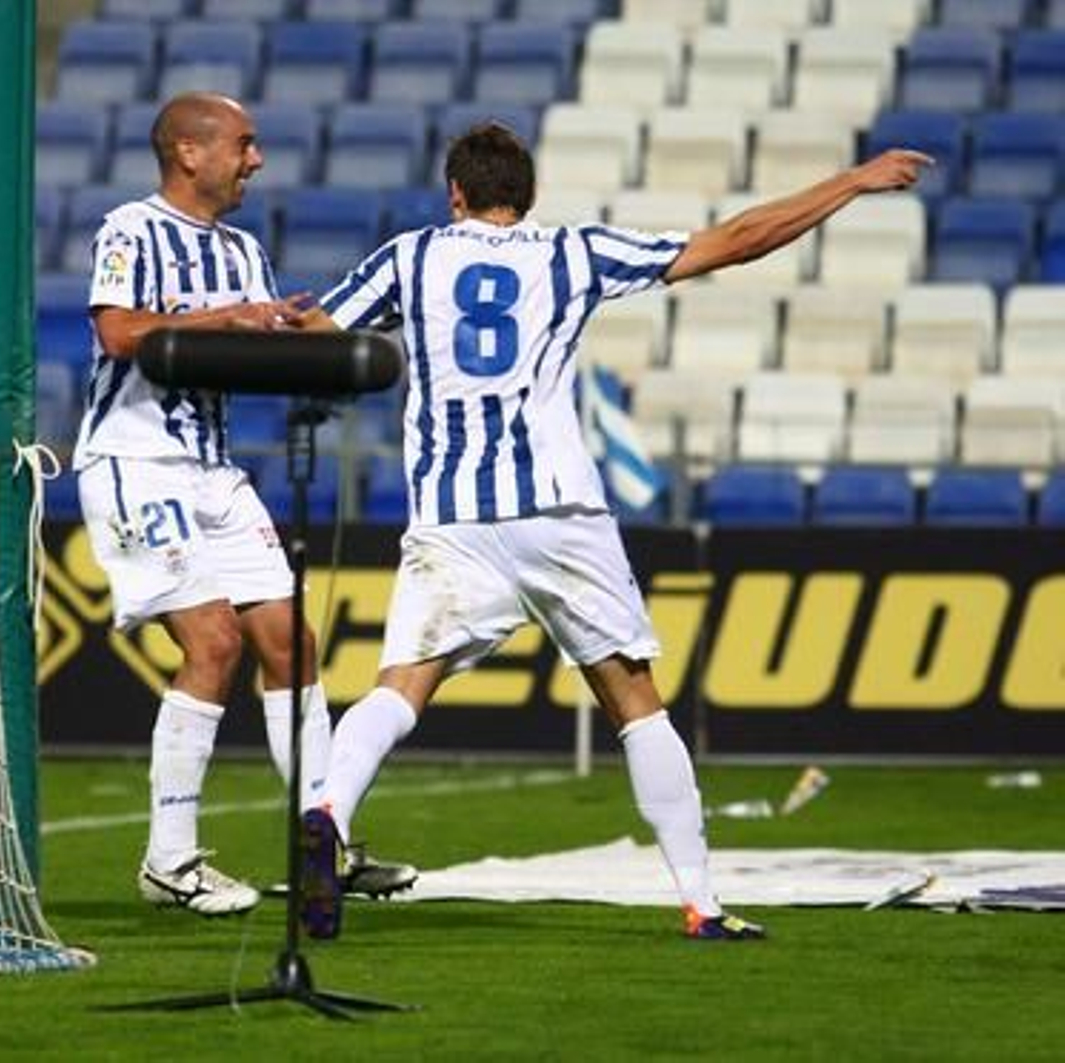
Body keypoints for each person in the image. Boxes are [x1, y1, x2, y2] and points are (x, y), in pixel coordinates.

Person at [294, 122, 931, 940]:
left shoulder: (409, 257)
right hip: (559, 511)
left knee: (400, 686)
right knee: (634, 700)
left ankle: (329, 813)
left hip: (451, 513)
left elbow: (315, 329)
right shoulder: (572, 253)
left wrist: (229, 327)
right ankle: (700, 901)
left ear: (453, 194)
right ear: (525, 197)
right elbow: (733, 242)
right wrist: (849, 182)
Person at [72, 92, 416, 916]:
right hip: (137, 462)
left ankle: (321, 843)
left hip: (214, 470)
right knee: (215, 642)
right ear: (190, 152)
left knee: (290, 641)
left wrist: (301, 342)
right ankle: (170, 860)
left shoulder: (244, 250)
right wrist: (234, 318)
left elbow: (242, 353)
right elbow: (120, 335)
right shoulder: (130, 229)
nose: (256, 159)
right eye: (245, 143)